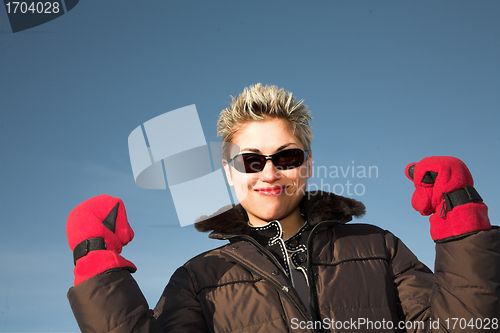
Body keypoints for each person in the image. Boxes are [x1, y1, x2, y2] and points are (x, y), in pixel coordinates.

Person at [66, 84, 500, 332]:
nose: (269, 172)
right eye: (251, 160)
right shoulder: (199, 279)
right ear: (229, 172)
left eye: (286, 157)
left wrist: (465, 232)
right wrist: (98, 270)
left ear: (307, 165)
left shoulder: (379, 248)